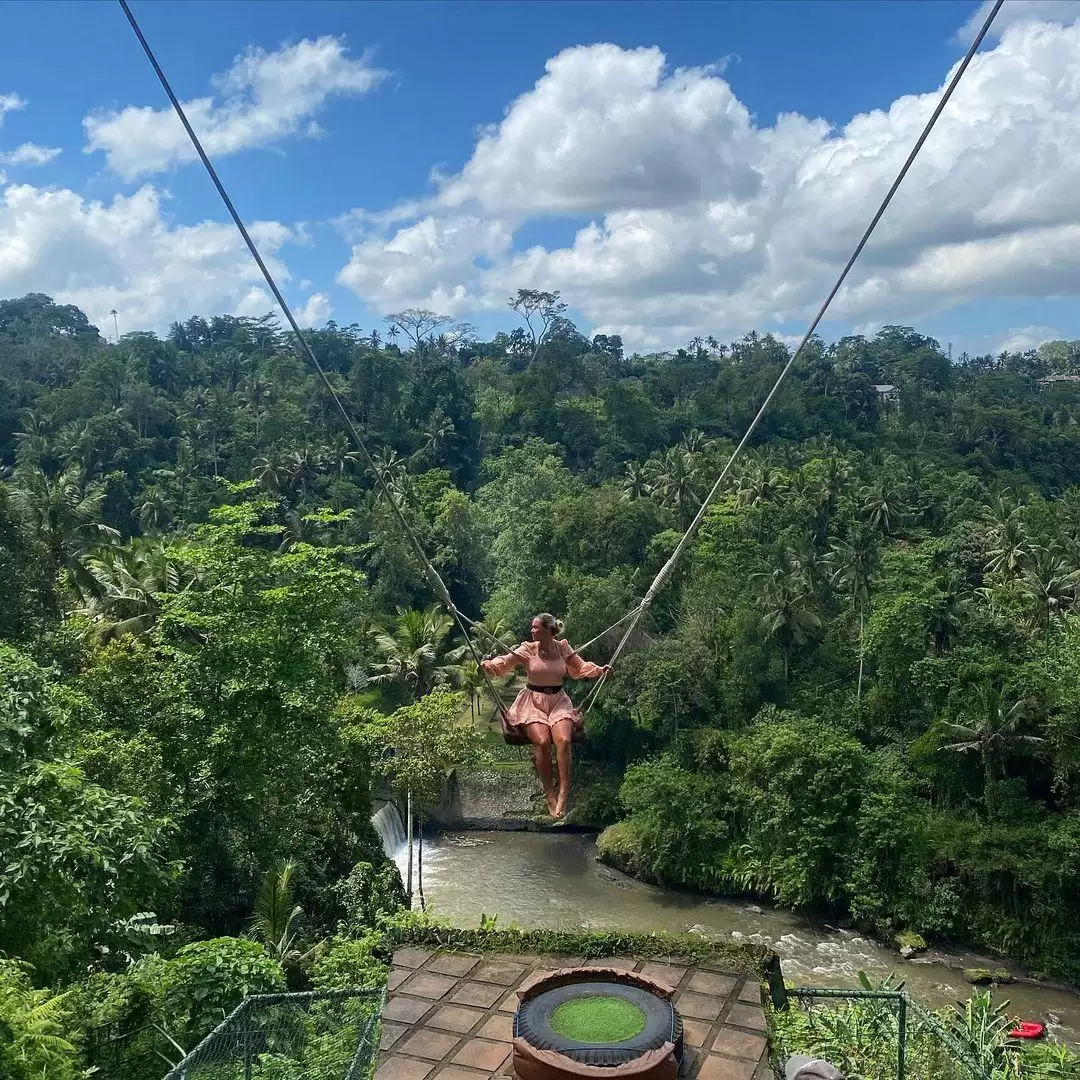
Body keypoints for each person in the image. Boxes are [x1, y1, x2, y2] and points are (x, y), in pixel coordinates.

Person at [481, 613, 610, 819]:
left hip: (558, 701)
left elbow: (580, 667)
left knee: (564, 740)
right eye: (532, 627)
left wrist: (599, 670)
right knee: (542, 742)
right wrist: (489, 665)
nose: (532, 631)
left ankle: (563, 793)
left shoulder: (563, 648)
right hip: (533, 702)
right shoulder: (528, 649)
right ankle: (549, 795)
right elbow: (505, 661)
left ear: (548, 630)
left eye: (536, 627)